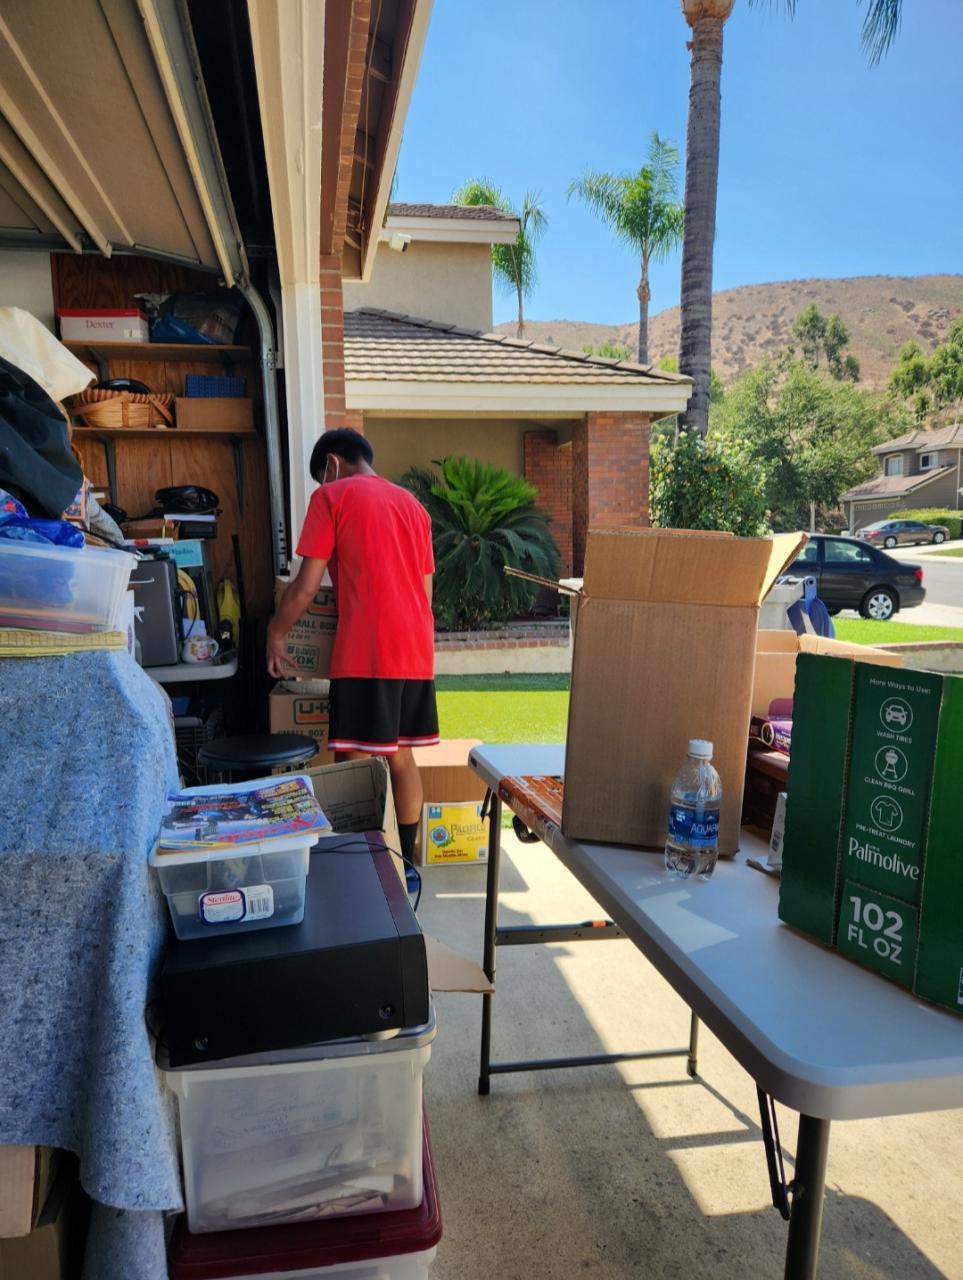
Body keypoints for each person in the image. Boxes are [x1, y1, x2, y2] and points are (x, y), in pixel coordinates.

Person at [267, 428, 439, 869]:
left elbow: (306, 587)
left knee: (352, 761)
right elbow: (426, 592)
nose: (322, 485)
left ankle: (362, 872)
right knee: (401, 757)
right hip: (415, 651)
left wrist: (277, 632)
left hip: (367, 649)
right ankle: (407, 867)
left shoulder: (332, 496)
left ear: (332, 463)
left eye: (322, 476)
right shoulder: (414, 507)